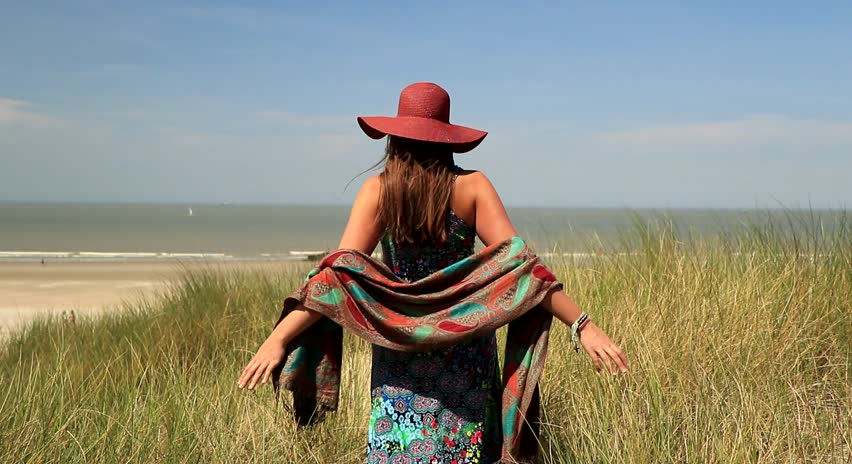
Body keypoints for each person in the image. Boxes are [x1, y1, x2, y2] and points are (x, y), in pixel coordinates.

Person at [238, 82, 629, 463]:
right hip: (466, 347)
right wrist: (582, 324)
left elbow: (337, 277)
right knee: (466, 450)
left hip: (399, 348)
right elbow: (523, 269)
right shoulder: (473, 187)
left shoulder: (379, 190)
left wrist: (278, 339)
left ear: (395, 137)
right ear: (446, 137)